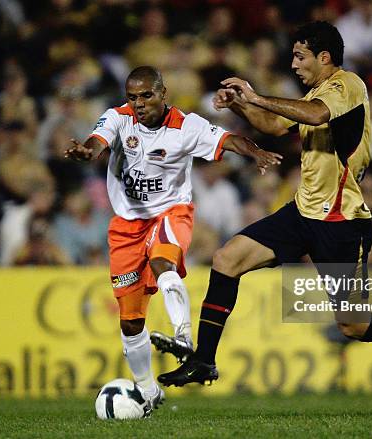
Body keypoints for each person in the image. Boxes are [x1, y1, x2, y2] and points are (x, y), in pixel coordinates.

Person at [158, 22, 372, 395]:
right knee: (226, 260)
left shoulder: (347, 86)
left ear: (324, 57)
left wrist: (255, 96)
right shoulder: (315, 94)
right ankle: (204, 360)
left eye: (299, 56)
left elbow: (317, 115)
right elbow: (272, 125)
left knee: (354, 325)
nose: (293, 64)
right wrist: (240, 103)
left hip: (341, 222)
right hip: (303, 213)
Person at [65, 66, 281, 414]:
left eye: (146, 96)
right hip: (126, 226)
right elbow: (97, 143)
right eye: (133, 97)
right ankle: (148, 392)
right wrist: (87, 152)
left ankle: (183, 337)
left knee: (163, 262)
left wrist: (255, 152)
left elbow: (228, 140)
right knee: (130, 320)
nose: (138, 103)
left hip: (171, 213)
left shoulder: (187, 125)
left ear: (163, 94)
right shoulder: (118, 119)